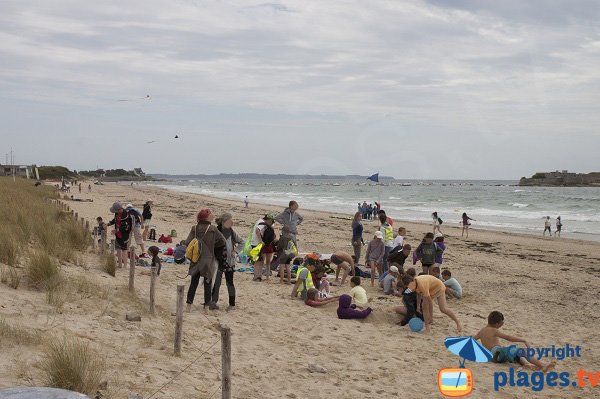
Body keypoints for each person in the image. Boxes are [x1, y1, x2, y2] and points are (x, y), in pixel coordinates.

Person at [474, 311, 556, 371]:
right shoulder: (494, 330)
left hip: (492, 357)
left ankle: (527, 364)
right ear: (496, 324)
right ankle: (542, 365)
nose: (502, 324)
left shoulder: (482, 331)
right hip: (497, 353)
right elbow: (508, 337)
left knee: (513, 353)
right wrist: (523, 340)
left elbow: (473, 340)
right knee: (520, 351)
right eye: (501, 323)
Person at [185, 208, 227, 312]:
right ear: (207, 217)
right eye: (211, 214)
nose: (213, 215)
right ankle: (206, 309)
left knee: (193, 283)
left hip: (195, 259)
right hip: (208, 260)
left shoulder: (194, 228)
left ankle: (188, 307)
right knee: (207, 284)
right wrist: (212, 246)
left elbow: (187, 242)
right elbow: (223, 241)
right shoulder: (213, 228)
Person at [214, 213, 243, 310]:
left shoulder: (232, 232)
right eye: (230, 220)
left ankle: (232, 304)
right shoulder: (216, 231)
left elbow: (242, 242)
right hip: (217, 262)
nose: (232, 222)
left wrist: (235, 251)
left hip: (229, 262)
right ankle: (214, 302)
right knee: (216, 283)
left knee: (229, 283)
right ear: (224, 222)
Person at [273, 201, 303, 284]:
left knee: (292, 251)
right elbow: (276, 218)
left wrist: (296, 224)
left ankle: (286, 280)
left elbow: (301, 219)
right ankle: (283, 280)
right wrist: (284, 223)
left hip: (292, 235)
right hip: (286, 235)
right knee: (285, 259)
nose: (297, 207)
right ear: (291, 206)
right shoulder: (285, 213)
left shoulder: (296, 214)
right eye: (296, 205)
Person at [106, 202, 134, 269]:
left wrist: (117, 230)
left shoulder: (126, 216)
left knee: (124, 250)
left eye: (115, 211)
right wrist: (108, 224)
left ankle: (125, 266)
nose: (115, 212)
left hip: (124, 235)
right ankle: (120, 265)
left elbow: (126, 227)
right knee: (118, 248)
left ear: (119, 209)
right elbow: (115, 220)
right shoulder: (117, 213)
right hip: (118, 235)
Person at [251, 214, 276, 281]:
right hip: (258, 244)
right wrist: (261, 241)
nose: (272, 223)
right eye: (271, 221)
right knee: (259, 261)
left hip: (264, 245)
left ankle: (259, 276)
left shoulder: (265, 224)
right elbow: (257, 231)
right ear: (268, 220)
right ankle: (257, 276)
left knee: (262, 261)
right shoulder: (262, 223)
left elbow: (273, 235)